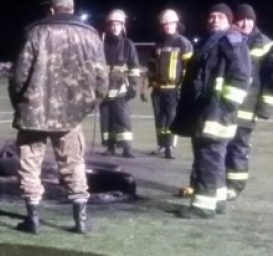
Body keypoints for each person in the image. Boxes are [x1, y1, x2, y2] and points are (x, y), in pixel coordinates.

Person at [8, 0, 108, 234]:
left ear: (51, 9)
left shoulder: (35, 32)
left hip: (33, 113)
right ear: (71, 9)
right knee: (74, 163)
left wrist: (20, 104)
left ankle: (33, 219)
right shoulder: (90, 35)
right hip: (71, 115)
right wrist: (86, 106)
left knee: (30, 165)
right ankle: (80, 220)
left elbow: (18, 76)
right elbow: (102, 79)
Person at [170, 3, 251, 218]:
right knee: (212, 156)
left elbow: (241, 76)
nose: (214, 20)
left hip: (215, 112)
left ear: (229, 21)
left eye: (220, 17)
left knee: (208, 156)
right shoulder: (213, 41)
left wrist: (225, 106)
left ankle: (203, 207)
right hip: (207, 110)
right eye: (211, 16)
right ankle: (218, 200)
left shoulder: (231, 41)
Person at [222, 4, 273, 200]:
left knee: (238, 146)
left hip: (247, 107)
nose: (245, 23)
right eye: (241, 19)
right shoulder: (228, 39)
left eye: (249, 19)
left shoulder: (265, 44)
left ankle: (234, 186)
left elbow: (270, 79)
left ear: (255, 20)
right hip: (225, 105)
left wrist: (265, 106)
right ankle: (215, 183)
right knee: (219, 144)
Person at [141, 9, 194, 159]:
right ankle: (161, 145)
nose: (167, 26)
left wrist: (183, 87)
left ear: (176, 24)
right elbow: (151, 67)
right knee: (160, 119)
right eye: (164, 24)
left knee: (171, 119)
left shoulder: (183, 43)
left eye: (170, 23)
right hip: (158, 89)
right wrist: (145, 86)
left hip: (173, 89)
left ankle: (170, 147)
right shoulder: (158, 44)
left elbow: (189, 68)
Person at [99, 9, 141, 158]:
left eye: (117, 24)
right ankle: (110, 147)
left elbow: (134, 67)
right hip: (104, 90)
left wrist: (133, 86)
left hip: (121, 89)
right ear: (107, 26)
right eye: (111, 24)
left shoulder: (128, 44)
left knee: (122, 119)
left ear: (123, 26)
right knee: (106, 120)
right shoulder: (101, 44)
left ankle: (126, 148)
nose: (114, 27)